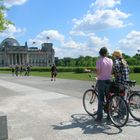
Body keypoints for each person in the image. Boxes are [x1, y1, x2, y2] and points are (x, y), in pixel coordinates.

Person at [95, 47, 113, 123]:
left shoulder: (99, 61)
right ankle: (109, 116)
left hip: (101, 81)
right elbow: (111, 71)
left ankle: (99, 117)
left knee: (101, 100)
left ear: (100, 53)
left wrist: (96, 74)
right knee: (109, 99)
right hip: (109, 81)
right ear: (106, 53)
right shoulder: (110, 60)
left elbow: (98, 72)